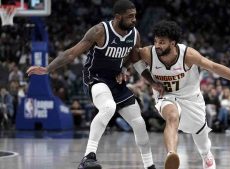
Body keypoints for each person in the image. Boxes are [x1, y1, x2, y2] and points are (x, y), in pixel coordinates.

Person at [26, 0, 156, 169]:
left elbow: (134, 59)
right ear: (118, 17)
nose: (134, 20)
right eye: (130, 16)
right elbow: (72, 53)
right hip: (95, 78)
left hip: (115, 81)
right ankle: (88, 157)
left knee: (139, 123)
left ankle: (149, 165)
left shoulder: (134, 34)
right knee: (108, 107)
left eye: (135, 16)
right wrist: (47, 68)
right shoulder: (100, 31)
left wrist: (150, 81)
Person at [131, 20, 230, 169]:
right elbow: (133, 57)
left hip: (191, 98)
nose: (157, 45)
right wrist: (151, 82)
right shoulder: (149, 53)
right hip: (166, 95)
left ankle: (206, 155)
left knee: (201, 138)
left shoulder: (188, 55)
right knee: (171, 116)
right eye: (156, 41)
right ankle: (171, 154)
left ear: (173, 43)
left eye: (162, 42)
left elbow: (214, 67)